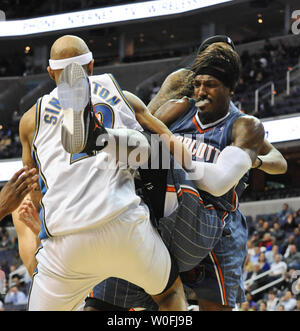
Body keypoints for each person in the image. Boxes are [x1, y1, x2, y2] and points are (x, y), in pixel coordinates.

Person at [74, 41, 268, 311]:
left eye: (209, 84)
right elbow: (143, 120)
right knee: (101, 305)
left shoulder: (245, 125)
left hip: (207, 226)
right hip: (160, 218)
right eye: (198, 82)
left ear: (230, 87)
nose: (201, 90)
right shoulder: (178, 107)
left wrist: (258, 161)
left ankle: (100, 137)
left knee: (155, 151)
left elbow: (221, 181)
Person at [17, 34, 188, 311]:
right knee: (169, 295)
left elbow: (34, 189)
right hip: (122, 220)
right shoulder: (123, 95)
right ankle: (101, 136)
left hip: (65, 240)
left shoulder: (29, 120)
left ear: (50, 73)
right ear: (92, 67)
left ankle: (98, 136)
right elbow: (169, 141)